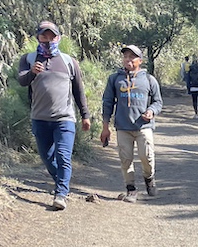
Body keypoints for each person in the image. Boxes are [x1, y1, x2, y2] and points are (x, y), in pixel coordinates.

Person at [16, 21, 92, 211]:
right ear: (38, 37)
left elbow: (78, 91)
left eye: (52, 36)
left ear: (58, 37)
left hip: (64, 119)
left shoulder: (69, 62)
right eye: (44, 36)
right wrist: (33, 72)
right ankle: (61, 181)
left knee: (63, 155)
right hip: (40, 118)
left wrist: (85, 115)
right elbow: (22, 81)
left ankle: (61, 194)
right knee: (47, 158)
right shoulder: (28, 59)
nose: (48, 40)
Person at [99, 45, 164, 203]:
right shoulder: (115, 79)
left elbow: (158, 102)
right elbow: (107, 102)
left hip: (144, 126)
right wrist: (105, 127)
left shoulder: (149, 79)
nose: (128, 60)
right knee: (125, 159)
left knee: (146, 157)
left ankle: (149, 179)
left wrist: (151, 111)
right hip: (122, 127)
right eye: (125, 57)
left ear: (139, 61)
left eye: (132, 57)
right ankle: (131, 189)